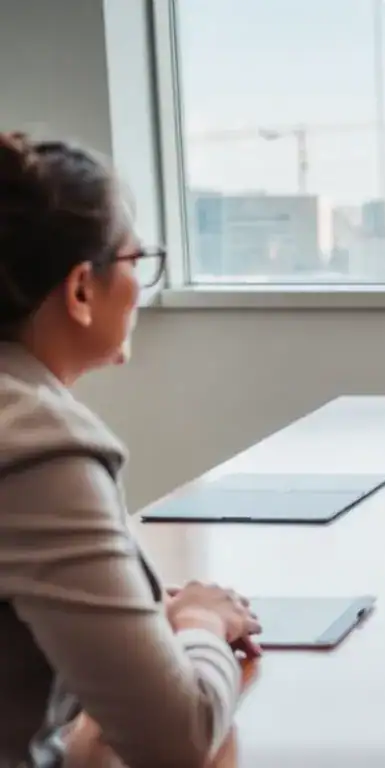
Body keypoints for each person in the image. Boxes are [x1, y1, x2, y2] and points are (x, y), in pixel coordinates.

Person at [0, 133, 261, 766]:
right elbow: (178, 736)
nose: (142, 284)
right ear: (82, 290)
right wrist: (200, 623)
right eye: (137, 258)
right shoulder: (39, 445)